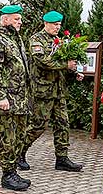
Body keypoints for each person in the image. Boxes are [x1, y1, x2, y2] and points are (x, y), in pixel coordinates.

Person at [20, 10, 84, 173]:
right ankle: (19, 153)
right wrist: (65, 65)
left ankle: (62, 159)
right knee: (38, 125)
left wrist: (75, 72)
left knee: (63, 124)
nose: (58, 27)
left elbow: (64, 63)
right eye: (55, 24)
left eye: (59, 25)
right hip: (43, 92)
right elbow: (42, 61)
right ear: (46, 23)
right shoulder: (36, 40)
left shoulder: (60, 42)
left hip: (58, 91)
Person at [0, 4, 31, 191]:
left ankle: (12, 171)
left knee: (18, 135)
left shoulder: (12, 37)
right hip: (5, 99)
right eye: (16, 19)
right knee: (8, 136)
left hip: (18, 98)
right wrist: (1, 97)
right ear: (5, 19)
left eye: (20, 19)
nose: (20, 22)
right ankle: (7, 175)